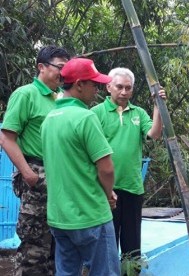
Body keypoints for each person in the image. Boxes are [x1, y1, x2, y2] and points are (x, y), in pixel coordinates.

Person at [41, 58, 120, 275]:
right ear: (78, 85)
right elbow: (106, 168)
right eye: (93, 84)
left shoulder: (49, 119)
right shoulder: (85, 117)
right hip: (90, 214)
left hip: (59, 216)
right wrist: (109, 194)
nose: (97, 89)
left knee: (66, 272)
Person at [0, 45, 70, 276]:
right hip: (36, 172)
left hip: (59, 175)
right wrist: (28, 173)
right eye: (60, 67)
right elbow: (7, 137)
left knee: (55, 244)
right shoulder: (26, 94)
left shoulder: (61, 99)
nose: (64, 73)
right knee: (34, 246)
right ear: (42, 67)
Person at [91, 67, 165, 259]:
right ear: (109, 87)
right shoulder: (96, 113)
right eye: (119, 87)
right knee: (107, 245)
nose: (124, 92)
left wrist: (158, 106)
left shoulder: (138, 113)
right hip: (105, 190)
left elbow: (154, 134)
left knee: (132, 248)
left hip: (132, 187)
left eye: (128, 88)